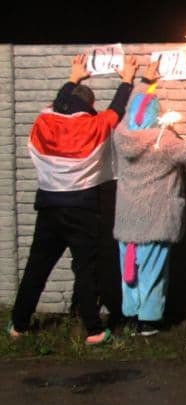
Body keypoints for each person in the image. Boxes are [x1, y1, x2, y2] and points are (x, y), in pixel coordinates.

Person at [7, 54, 138, 340]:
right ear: (91, 106)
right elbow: (116, 110)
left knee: (36, 268)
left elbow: (60, 102)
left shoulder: (43, 121)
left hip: (49, 208)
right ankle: (93, 330)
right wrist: (127, 80)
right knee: (86, 270)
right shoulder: (95, 125)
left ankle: (18, 324)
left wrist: (72, 77)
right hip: (82, 210)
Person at [110, 67, 186, 343]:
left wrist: (146, 83)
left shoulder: (121, 135)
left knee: (129, 268)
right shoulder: (163, 141)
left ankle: (131, 315)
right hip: (155, 217)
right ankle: (148, 321)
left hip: (128, 218)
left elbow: (135, 107)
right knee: (152, 271)